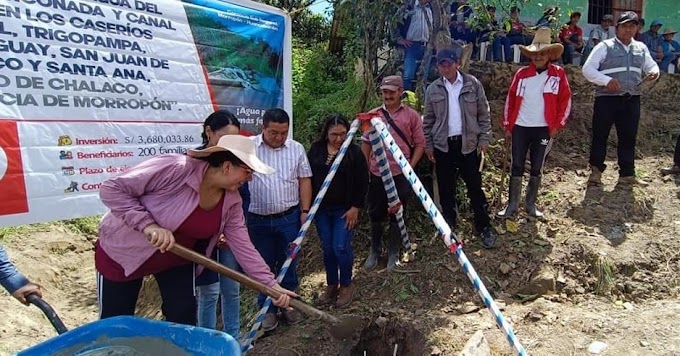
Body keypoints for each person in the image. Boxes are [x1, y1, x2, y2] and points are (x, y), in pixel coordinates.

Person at [95, 135, 296, 325]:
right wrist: (148, 225)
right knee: (116, 322)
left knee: (183, 318)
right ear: (227, 167)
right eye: (247, 171)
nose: (250, 178)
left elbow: (244, 247)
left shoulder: (232, 202)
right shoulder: (176, 168)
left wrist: (271, 285)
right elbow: (111, 189)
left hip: (176, 260)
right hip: (124, 253)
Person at [423, 48, 498, 248]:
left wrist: (484, 139)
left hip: (468, 146)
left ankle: (484, 226)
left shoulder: (472, 84)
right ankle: (450, 228)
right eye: (441, 64)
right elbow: (428, 121)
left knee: (474, 187)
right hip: (443, 146)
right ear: (437, 66)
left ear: (457, 63)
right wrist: (429, 145)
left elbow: (484, 113)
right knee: (447, 190)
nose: (445, 67)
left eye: (449, 63)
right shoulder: (433, 90)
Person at [247, 108, 312, 331]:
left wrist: (305, 211)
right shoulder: (248, 148)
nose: (279, 137)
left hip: (289, 218)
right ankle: (267, 308)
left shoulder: (296, 149)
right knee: (262, 264)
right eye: (274, 132)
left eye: (284, 132)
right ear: (262, 128)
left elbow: (304, 179)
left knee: (289, 261)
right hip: (257, 219)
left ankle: (290, 304)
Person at [499, 28, 572, 219]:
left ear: (549, 54)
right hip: (520, 127)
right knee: (516, 165)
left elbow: (566, 100)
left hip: (543, 128)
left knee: (537, 166)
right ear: (530, 55)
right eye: (535, 53)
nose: (539, 56)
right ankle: (512, 204)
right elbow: (510, 99)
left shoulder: (558, 75)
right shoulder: (521, 75)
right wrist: (508, 125)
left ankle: (530, 204)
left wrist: (558, 125)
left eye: (543, 53)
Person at [582, 11, 659, 187]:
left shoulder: (641, 47)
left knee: (628, 137)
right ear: (617, 28)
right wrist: (606, 81)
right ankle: (596, 172)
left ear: (637, 28)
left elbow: (651, 65)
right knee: (600, 135)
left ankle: (627, 174)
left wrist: (655, 72)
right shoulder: (604, 46)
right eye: (625, 26)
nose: (628, 29)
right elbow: (588, 69)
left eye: (632, 26)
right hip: (607, 99)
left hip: (631, 98)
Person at [193, 111, 249, 338]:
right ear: (208, 132)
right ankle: (207, 342)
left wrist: (229, 232)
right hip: (200, 239)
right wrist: (215, 233)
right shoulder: (193, 160)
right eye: (225, 137)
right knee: (209, 291)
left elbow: (243, 198)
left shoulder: (237, 160)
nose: (229, 145)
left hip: (229, 238)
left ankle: (232, 339)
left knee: (232, 287)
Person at [362, 75, 426, 271]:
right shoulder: (372, 115)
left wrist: (410, 168)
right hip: (377, 173)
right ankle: (375, 251)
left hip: (400, 175)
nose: (387, 95)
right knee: (375, 213)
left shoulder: (411, 116)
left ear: (400, 92)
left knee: (397, 213)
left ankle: (393, 253)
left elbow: (420, 144)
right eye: (384, 92)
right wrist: (365, 169)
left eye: (391, 91)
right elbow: (365, 143)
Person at [307, 114, 368, 308]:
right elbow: (307, 177)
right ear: (326, 134)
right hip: (322, 209)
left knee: (340, 246)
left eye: (343, 134)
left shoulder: (354, 153)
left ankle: (346, 284)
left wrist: (355, 208)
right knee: (327, 247)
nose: (339, 139)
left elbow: (362, 181)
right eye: (334, 135)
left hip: (345, 209)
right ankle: (332, 283)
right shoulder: (316, 151)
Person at [393, 0, 433, 91]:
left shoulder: (433, 9)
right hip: (411, 46)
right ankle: (408, 100)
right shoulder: (409, 7)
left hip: (427, 47)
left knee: (424, 77)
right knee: (408, 76)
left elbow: (439, 26)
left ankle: (421, 101)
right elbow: (394, 22)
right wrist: (399, 39)